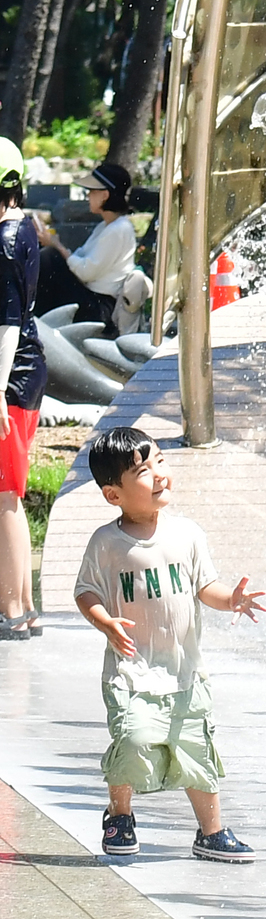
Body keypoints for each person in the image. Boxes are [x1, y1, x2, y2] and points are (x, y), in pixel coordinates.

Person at [75, 428, 264, 861]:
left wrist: (231, 600)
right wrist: (105, 621)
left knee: (196, 748)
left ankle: (211, 831)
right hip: (132, 672)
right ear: (113, 494)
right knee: (134, 740)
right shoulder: (107, 544)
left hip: (185, 671)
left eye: (160, 461)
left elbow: (206, 587)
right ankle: (120, 814)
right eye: (144, 470)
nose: (159, 474)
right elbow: (85, 592)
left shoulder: (187, 534)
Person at [0, 137, 46, 643]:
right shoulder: (21, 227)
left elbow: (6, 324)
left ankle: (13, 609)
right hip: (22, 373)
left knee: (5, 495)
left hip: (11, 376)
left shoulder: (7, 239)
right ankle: (23, 606)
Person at [34, 161, 137, 331]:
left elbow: (85, 272)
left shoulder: (118, 229)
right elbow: (80, 258)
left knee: (49, 258)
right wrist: (56, 245)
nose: (88, 196)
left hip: (99, 308)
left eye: (91, 191)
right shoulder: (106, 227)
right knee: (50, 257)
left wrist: (58, 246)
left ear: (104, 195)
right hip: (91, 299)